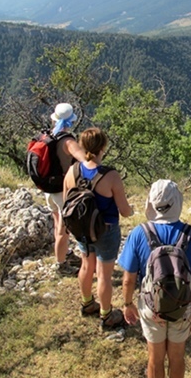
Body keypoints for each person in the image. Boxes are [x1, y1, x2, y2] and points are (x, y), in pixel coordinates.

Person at [118, 179, 191, 378]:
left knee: (155, 358)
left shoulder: (139, 233)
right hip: (182, 305)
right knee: (177, 357)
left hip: (151, 305)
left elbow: (128, 279)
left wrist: (128, 303)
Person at [63, 127, 134, 330]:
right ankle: (107, 315)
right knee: (104, 275)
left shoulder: (72, 171)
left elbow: (67, 202)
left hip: (81, 228)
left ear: (82, 146)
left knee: (86, 266)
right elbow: (124, 209)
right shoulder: (110, 176)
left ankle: (87, 303)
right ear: (103, 147)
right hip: (106, 230)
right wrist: (132, 212)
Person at [46, 103, 87, 276]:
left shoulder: (49, 135)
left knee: (57, 223)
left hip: (48, 187)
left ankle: (64, 254)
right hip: (62, 190)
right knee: (64, 228)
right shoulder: (68, 141)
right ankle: (61, 265)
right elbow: (85, 161)